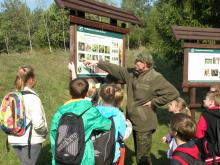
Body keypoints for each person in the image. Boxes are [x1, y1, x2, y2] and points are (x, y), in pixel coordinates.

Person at [84, 50, 179, 165]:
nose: (135, 64)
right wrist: (97, 63)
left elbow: (173, 93)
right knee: (139, 154)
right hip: (132, 120)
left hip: (144, 124)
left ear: (145, 63)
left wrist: (154, 102)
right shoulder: (132, 74)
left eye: (138, 62)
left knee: (142, 158)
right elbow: (117, 69)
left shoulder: (156, 78)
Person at [50, 78, 111, 165]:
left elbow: (53, 137)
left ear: (70, 92)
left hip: (60, 159)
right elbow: (107, 125)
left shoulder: (59, 113)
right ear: (86, 93)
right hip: (83, 159)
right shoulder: (90, 111)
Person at [8, 66, 48, 165]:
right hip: (31, 140)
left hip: (14, 137)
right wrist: (44, 132)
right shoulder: (32, 98)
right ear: (30, 79)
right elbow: (38, 124)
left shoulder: (12, 96)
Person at [195, 91, 220, 164]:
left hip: (211, 151)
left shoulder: (205, 115)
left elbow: (198, 134)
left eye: (205, 99)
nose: (203, 100)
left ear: (211, 102)